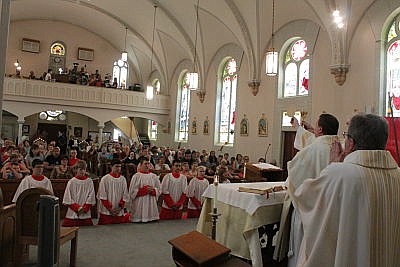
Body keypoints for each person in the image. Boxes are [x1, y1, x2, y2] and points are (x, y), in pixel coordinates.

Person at [290, 114, 400, 267]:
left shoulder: (341, 174)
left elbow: (305, 197)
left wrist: (332, 165)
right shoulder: (397, 174)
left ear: (351, 143)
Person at [274, 113, 339, 266]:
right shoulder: (339, 146)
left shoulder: (312, 150)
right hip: (331, 210)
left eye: (316, 126)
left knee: (303, 251)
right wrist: (303, 129)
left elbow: (295, 178)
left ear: (321, 129)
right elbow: (315, 141)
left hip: (308, 210)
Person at [62, 161, 96, 226]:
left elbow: (91, 196)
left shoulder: (89, 181)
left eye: (84, 169)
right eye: (80, 169)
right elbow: (68, 197)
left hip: (85, 211)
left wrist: (85, 208)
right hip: (73, 212)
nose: (82, 171)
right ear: (76, 169)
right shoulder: (71, 182)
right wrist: (78, 208)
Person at [97, 159, 130, 224]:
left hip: (118, 211)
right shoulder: (105, 179)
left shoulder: (123, 179)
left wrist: (119, 208)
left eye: (120, 166)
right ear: (111, 167)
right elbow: (102, 195)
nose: (118, 168)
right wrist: (110, 209)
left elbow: (125, 195)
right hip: (107, 212)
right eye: (116, 166)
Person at [128, 158, 160, 222]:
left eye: (148, 164)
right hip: (139, 203)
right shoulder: (136, 176)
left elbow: (159, 189)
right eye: (145, 164)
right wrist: (143, 190)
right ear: (141, 165)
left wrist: (153, 191)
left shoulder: (154, 176)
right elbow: (131, 192)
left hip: (151, 203)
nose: (147, 165)